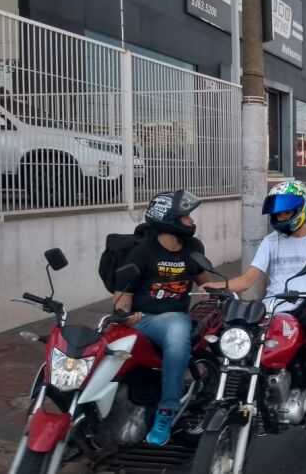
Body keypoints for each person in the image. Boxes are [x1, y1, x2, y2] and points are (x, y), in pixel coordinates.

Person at [202, 180, 306, 424]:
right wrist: (220, 286)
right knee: (238, 337)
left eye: (286, 212)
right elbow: (248, 279)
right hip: (273, 305)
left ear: (301, 209)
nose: (280, 217)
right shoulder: (271, 241)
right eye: (277, 213)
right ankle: (236, 392)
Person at [113, 190, 211, 446]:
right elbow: (122, 296)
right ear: (169, 219)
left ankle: (166, 411)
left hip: (174, 320)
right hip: (144, 319)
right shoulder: (143, 252)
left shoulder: (192, 248)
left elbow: (207, 283)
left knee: (178, 330)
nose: (191, 221)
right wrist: (123, 315)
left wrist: (233, 290)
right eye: (186, 217)